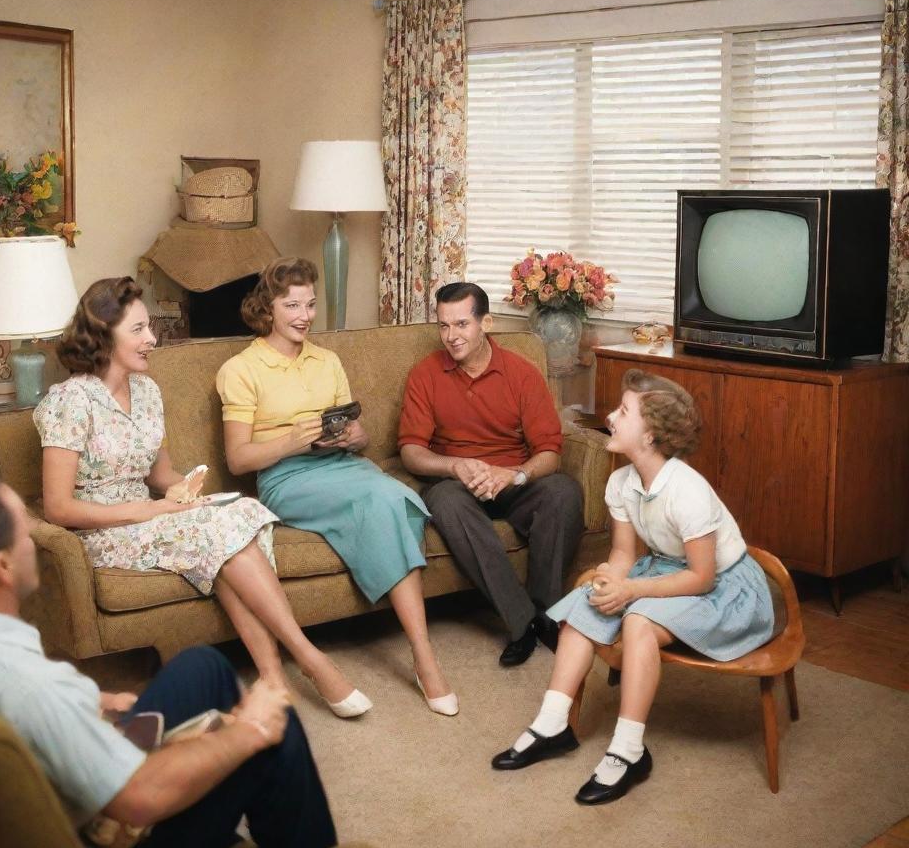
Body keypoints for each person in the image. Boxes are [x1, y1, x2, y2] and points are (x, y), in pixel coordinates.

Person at [0, 464, 337, 848]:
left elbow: (10, 698)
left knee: (200, 667)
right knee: (275, 727)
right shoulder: (33, 691)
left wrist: (91, 698)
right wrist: (251, 729)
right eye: (26, 529)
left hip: (62, 802)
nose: (36, 538)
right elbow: (139, 799)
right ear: (1, 566)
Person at [35, 276, 368, 719]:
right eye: (137, 330)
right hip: (103, 531)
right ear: (102, 335)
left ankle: (272, 680)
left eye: (148, 326)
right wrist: (147, 510)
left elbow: (160, 474)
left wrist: (182, 488)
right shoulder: (69, 401)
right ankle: (308, 658)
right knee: (218, 533)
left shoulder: (147, 391)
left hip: (154, 516)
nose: (151, 339)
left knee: (236, 513)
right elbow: (58, 508)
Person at [492, 369, 775, 804]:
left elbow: (702, 577)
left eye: (623, 412)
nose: (610, 415)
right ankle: (553, 724)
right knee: (587, 604)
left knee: (638, 620)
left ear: (650, 437)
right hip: (665, 570)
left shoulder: (688, 491)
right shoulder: (621, 482)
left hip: (723, 590)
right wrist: (610, 581)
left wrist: (632, 593)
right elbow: (624, 555)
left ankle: (628, 752)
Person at [217, 257, 458, 716]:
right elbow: (237, 458)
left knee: (397, 497)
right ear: (268, 307)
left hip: (345, 465)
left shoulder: (327, 361)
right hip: (287, 479)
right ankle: (425, 657)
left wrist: (355, 436)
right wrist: (290, 441)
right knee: (384, 497)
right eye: (292, 305)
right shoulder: (241, 369)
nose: (305, 315)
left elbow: (359, 433)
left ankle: (421, 652)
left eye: (310, 304)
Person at [398, 282, 584, 666]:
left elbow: (549, 452)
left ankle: (547, 613)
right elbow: (411, 453)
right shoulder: (425, 374)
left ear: (487, 323)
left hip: (512, 481)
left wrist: (513, 475)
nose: (452, 336)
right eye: (444, 326)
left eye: (462, 324)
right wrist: (454, 466)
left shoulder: (522, 373)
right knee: (445, 501)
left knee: (564, 492)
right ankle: (523, 623)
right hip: (457, 485)